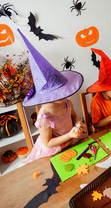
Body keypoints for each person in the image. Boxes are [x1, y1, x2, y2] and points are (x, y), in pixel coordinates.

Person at [17, 29, 86, 162]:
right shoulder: (45, 117)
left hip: (71, 140)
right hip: (55, 149)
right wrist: (69, 135)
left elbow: (74, 116)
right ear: (49, 97)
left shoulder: (66, 101)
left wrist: (78, 123)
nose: (66, 96)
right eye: (61, 94)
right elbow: (48, 143)